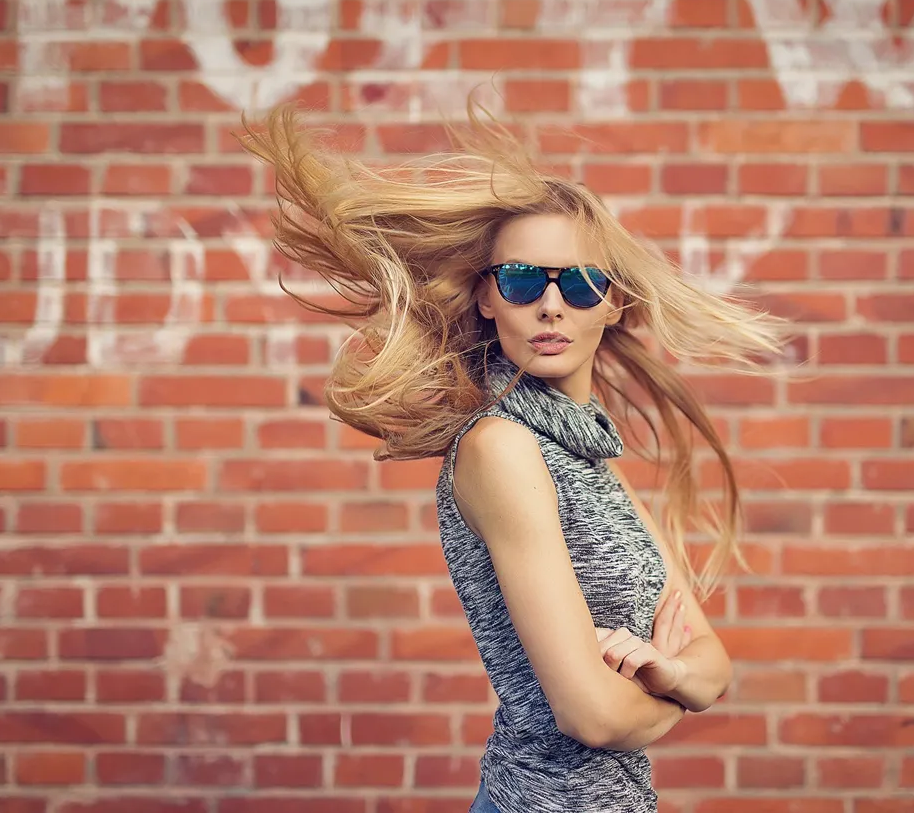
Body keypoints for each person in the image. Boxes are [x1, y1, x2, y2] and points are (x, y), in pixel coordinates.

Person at [240, 101, 789, 813]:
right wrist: (675, 691)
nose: (552, 305)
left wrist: (676, 677)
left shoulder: (590, 456)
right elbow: (591, 716)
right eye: (525, 281)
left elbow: (714, 661)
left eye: (581, 282)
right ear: (488, 298)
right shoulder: (502, 448)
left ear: (614, 302)